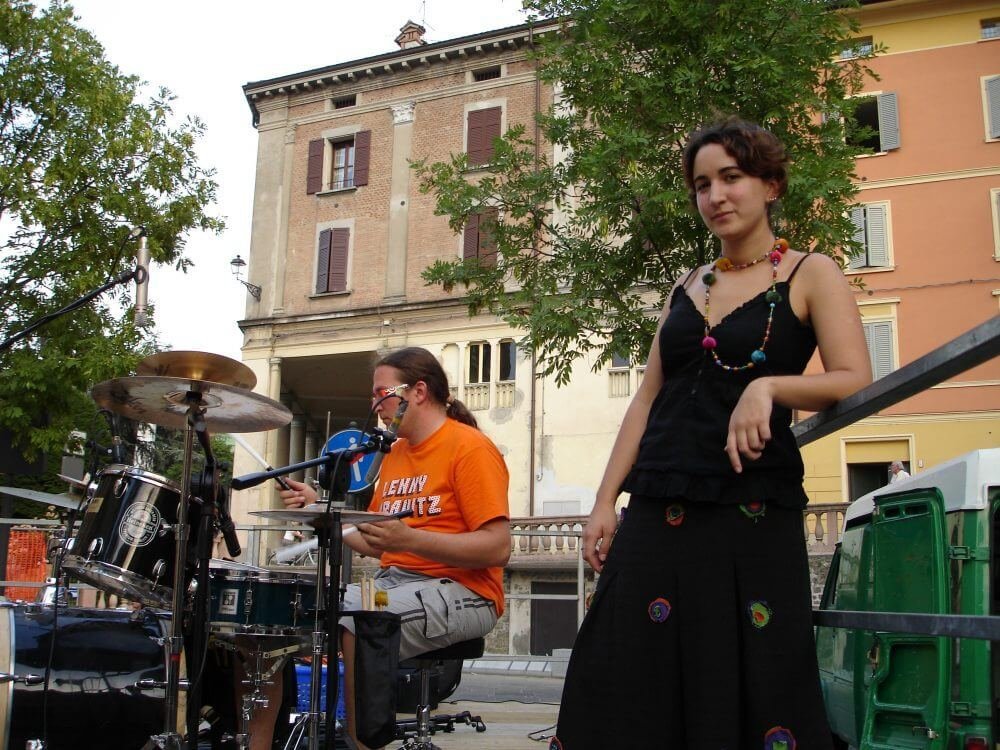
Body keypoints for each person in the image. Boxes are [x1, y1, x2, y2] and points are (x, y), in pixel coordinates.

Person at [550, 117, 872, 749]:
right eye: (702, 185)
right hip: (657, 499)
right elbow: (648, 397)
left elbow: (853, 375)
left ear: (770, 184)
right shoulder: (688, 283)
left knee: (750, 669)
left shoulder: (811, 272)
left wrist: (769, 387)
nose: (716, 196)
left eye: (732, 177)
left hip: (750, 503)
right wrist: (604, 500)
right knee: (623, 658)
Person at [280, 346, 511, 749]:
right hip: (395, 584)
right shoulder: (395, 454)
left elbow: (497, 548)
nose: (375, 405)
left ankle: (360, 743)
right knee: (283, 613)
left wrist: (410, 539)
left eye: (381, 393)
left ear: (418, 391)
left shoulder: (470, 447)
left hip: (466, 592)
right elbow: (377, 542)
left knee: (360, 621)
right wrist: (319, 510)